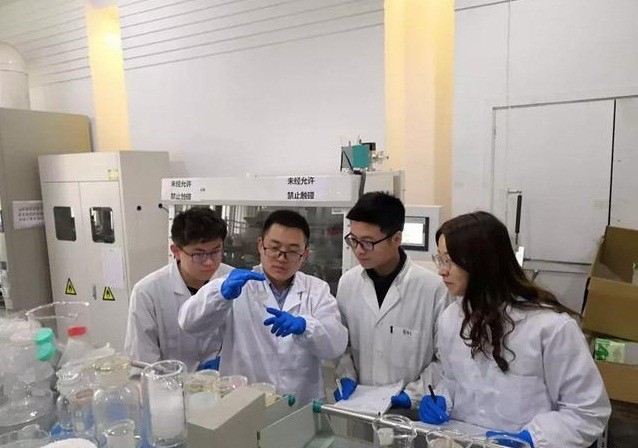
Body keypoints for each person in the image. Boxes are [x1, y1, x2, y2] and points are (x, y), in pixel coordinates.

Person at [420, 211, 610, 448]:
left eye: (450, 260)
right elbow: (452, 380)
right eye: (440, 259)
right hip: (463, 440)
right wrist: (442, 399)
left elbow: (588, 411)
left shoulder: (549, 328)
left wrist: (533, 439)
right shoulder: (451, 318)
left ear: (482, 262)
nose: (441, 270)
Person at [178, 209, 348, 404]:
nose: (281, 258)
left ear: (305, 254)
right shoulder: (235, 285)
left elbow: (336, 346)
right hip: (244, 404)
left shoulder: (317, 290)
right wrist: (220, 294)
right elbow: (188, 323)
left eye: (292, 251)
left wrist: (305, 326)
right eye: (274, 248)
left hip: (301, 404)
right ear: (260, 245)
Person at [334, 192, 449, 412]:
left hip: (411, 415)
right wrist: (346, 375)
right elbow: (343, 346)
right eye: (353, 240)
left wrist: (413, 394)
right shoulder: (348, 283)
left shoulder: (433, 288)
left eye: (367, 243)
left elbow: (444, 358)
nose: (358, 250)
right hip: (360, 409)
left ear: (396, 239)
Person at [124, 207, 233, 371]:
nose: (209, 262)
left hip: (223, 381)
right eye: (199, 254)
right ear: (176, 251)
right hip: (168, 383)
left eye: (215, 252)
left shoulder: (231, 281)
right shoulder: (147, 292)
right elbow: (142, 359)